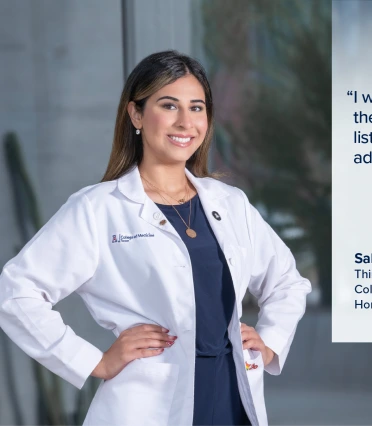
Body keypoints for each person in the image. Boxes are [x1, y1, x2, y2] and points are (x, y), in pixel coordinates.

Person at [0, 50, 311, 426]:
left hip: (234, 400)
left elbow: (287, 282)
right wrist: (94, 361)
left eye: (197, 108)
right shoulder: (99, 209)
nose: (186, 122)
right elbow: (15, 292)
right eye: (169, 105)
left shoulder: (229, 203)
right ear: (136, 114)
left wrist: (270, 340)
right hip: (148, 406)